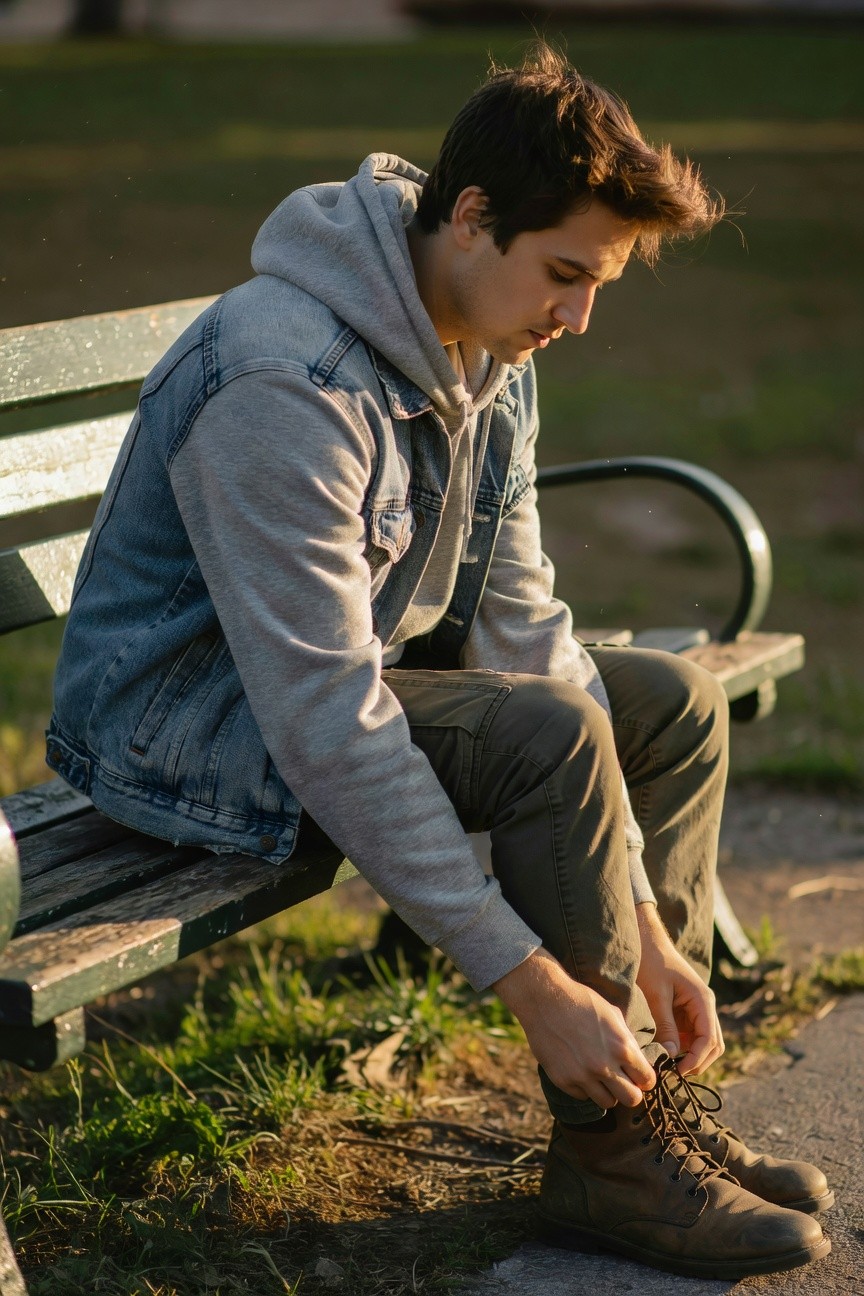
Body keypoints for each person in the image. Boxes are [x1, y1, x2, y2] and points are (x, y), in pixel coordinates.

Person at [47, 42, 832, 1280]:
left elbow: (524, 623)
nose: (579, 318)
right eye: (565, 274)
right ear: (470, 217)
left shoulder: (486, 344)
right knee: (548, 736)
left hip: (334, 686)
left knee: (665, 703)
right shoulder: (282, 380)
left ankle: (645, 1089)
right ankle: (614, 1153)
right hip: (185, 738)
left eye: (600, 286)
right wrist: (530, 984)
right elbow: (323, 712)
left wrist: (640, 915)